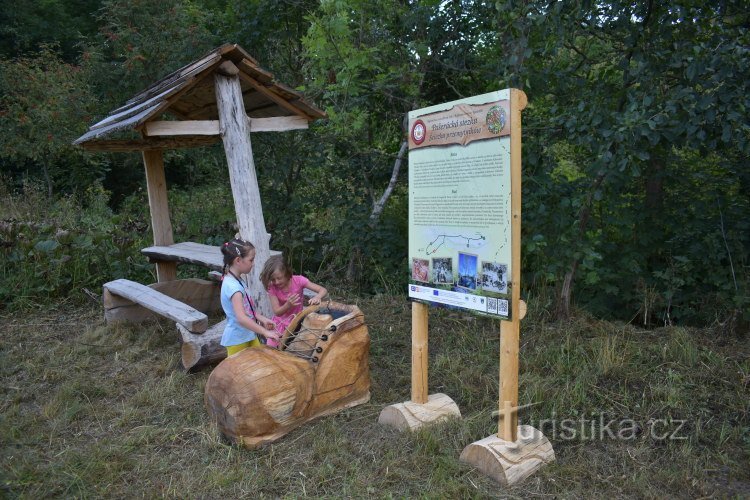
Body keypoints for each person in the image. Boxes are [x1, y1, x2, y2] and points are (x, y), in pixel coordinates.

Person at [220, 238, 280, 356]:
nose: (253, 264)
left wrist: (262, 319)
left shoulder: (237, 280)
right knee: (236, 373)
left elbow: (246, 310)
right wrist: (264, 332)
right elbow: (241, 318)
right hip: (238, 340)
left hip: (248, 334)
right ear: (238, 260)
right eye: (251, 260)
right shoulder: (234, 288)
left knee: (260, 364)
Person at [260, 255, 328, 348]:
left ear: (287, 273)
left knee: (299, 350)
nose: (276, 282)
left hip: (297, 324)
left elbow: (323, 290)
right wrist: (287, 305)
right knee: (270, 350)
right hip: (280, 325)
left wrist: (318, 297)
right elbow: (277, 312)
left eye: (279, 278)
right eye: (273, 279)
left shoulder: (299, 281)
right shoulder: (272, 288)